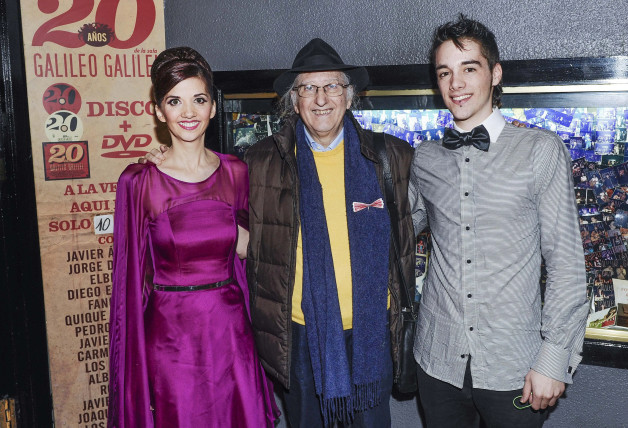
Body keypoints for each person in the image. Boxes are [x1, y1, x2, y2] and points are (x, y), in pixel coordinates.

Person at [143, 38, 415, 428]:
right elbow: (211, 208)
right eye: (308, 88)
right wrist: (162, 165)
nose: (321, 98)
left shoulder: (392, 158)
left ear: (349, 96)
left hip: (372, 332)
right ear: (294, 100)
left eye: (332, 86)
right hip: (299, 335)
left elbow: (414, 233)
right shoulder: (258, 163)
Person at [408, 16, 589, 427]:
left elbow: (565, 263)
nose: (455, 84)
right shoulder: (425, 158)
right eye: (444, 72)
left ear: (495, 73)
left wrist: (554, 357)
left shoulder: (540, 151)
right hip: (437, 364)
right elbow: (395, 230)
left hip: (516, 368)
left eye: (469, 68)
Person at [107, 47, 276, 428]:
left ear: (213, 107)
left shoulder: (236, 172)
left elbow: (248, 247)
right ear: (158, 111)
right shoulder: (139, 181)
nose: (188, 113)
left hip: (230, 333)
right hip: (170, 341)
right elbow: (129, 283)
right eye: (174, 101)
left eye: (198, 99)